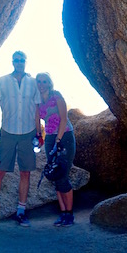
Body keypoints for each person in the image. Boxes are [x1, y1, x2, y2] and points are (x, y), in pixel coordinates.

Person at [0, 51, 42, 228]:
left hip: (28, 133)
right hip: (8, 132)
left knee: (25, 172)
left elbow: (36, 109)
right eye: (16, 60)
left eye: (22, 60)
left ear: (26, 62)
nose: (19, 63)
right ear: (12, 62)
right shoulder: (2, 81)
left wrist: (39, 133)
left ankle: (21, 213)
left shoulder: (32, 82)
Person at [36, 72, 76, 226]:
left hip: (64, 136)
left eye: (44, 81)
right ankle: (63, 213)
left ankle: (69, 214)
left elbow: (64, 118)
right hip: (50, 138)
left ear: (49, 83)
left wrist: (58, 140)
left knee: (63, 175)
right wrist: (38, 135)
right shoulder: (38, 101)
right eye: (39, 81)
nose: (41, 84)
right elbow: (36, 119)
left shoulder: (56, 96)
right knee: (55, 174)